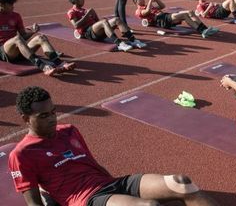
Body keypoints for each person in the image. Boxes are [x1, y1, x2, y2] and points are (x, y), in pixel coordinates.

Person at [9, 86, 219, 206]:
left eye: (53, 111)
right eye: (44, 116)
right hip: (86, 199)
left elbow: (92, 163)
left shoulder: (69, 130)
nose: (52, 119)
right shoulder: (23, 154)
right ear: (25, 118)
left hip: (110, 184)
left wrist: (120, 189)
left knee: (181, 183)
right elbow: (34, 203)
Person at [0, 0, 75, 76]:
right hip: (4, 51)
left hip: (19, 49)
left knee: (41, 37)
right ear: (1, 4)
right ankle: (43, 66)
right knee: (17, 39)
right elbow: (18, 39)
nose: (13, 7)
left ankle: (59, 63)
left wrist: (33, 31)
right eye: (10, 4)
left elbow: (23, 36)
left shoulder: (16, 16)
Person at [67, 0, 146, 51]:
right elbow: (76, 25)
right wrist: (88, 15)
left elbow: (97, 21)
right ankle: (119, 44)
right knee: (104, 21)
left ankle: (133, 40)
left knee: (117, 19)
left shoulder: (85, 10)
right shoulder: (72, 12)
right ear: (75, 0)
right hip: (88, 33)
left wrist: (101, 23)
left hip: (96, 31)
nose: (83, 0)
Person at [132, 0, 219, 38]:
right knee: (185, 15)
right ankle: (202, 32)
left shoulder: (147, 6)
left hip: (165, 16)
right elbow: (146, 12)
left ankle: (205, 29)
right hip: (161, 20)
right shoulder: (138, 11)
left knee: (190, 12)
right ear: (136, 2)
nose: (143, 0)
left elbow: (162, 6)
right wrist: (150, 1)